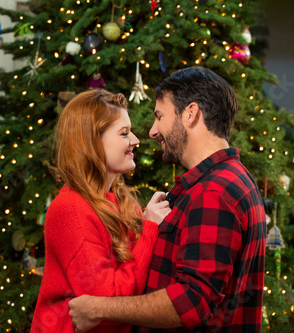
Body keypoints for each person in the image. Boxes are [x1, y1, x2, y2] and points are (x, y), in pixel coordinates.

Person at [68, 67, 267, 332]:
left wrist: (98, 308)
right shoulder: (222, 180)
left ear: (190, 114)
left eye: (159, 116)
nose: (152, 131)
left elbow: (192, 301)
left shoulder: (214, 191)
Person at [31, 89, 171, 333]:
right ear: (92, 142)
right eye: (124, 133)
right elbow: (106, 301)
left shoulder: (122, 200)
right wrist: (149, 228)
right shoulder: (70, 210)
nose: (136, 140)